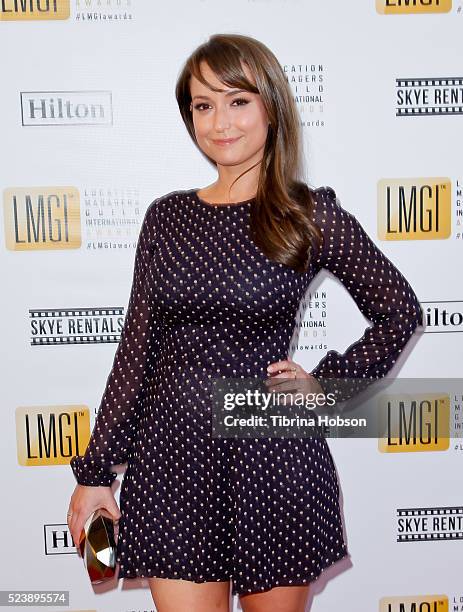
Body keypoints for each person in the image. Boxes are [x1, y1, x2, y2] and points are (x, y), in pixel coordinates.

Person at [67, 33, 423, 612]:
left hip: (271, 456)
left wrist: (326, 385)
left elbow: (399, 311)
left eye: (238, 101)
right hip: (173, 458)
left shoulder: (308, 214)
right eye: (203, 106)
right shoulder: (167, 218)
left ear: (271, 106)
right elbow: (136, 351)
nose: (220, 123)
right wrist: (94, 470)